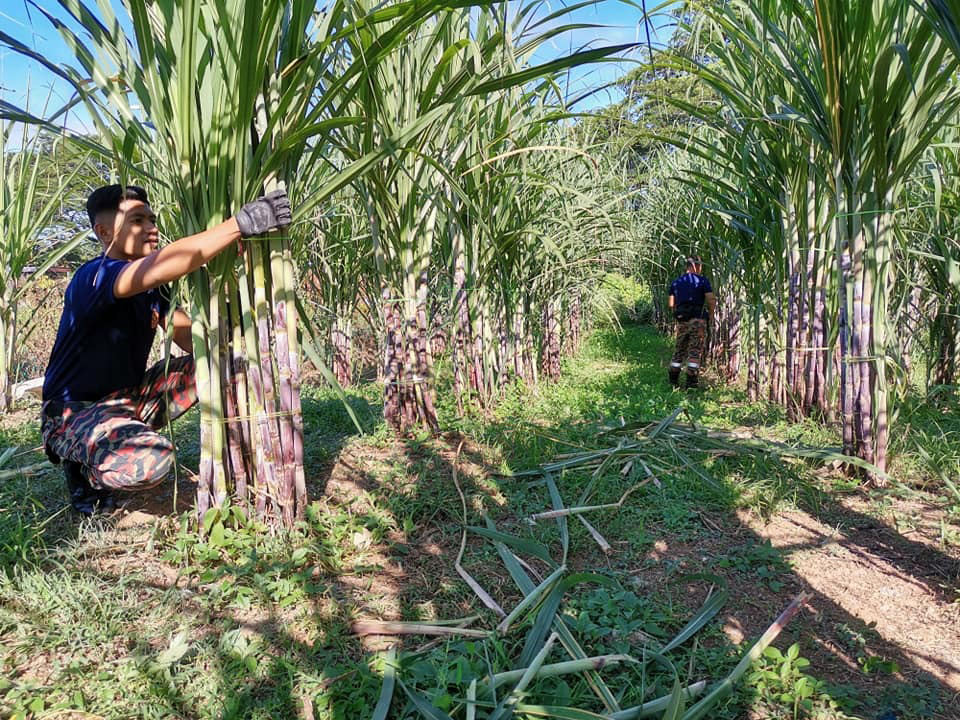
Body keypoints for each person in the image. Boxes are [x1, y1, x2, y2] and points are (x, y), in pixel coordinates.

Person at [41, 184, 291, 515]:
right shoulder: (94, 276)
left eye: (152, 219)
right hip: (74, 412)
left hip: (131, 399)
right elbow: (168, 263)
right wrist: (238, 223)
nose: (151, 227)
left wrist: (236, 285)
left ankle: (117, 437)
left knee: (222, 362)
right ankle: (85, 470)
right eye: (137, 220)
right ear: (103, 232)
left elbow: (192, 339)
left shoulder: (153, 290)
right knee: (149, 461)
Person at [667, 256, 716, 389]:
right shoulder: (702, 281)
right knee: (694, 351)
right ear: (697, 266)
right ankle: (691, 383)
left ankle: (673, 381)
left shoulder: (676, 282)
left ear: (687, 266)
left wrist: (680, 311)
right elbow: (711, 299)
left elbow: (671, 304)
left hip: (682, 320)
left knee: (679, 349)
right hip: (697, 320)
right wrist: (711, 315)